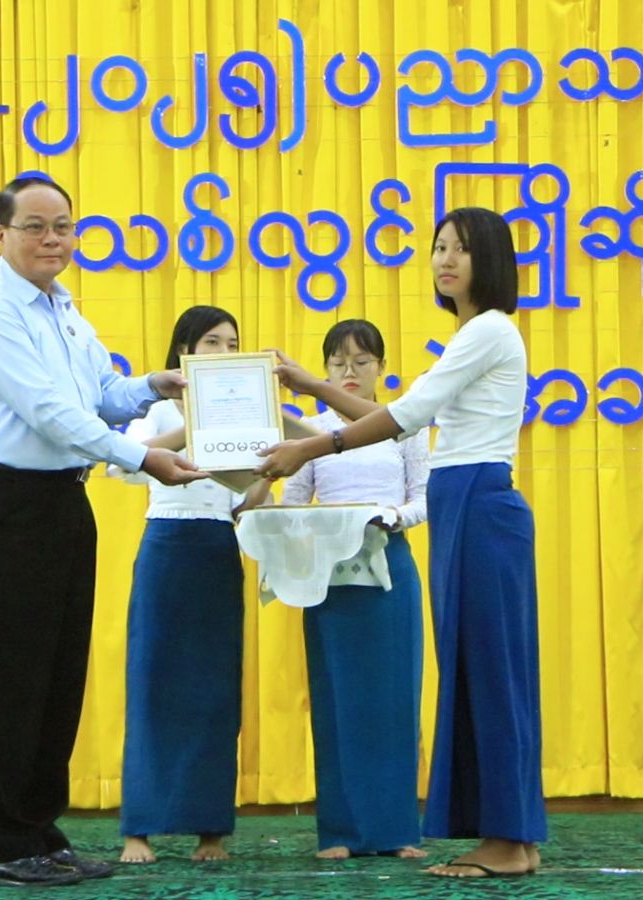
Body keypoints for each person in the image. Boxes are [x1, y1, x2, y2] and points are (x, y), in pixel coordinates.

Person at [256, 207, 546, 879]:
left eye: (461, 249)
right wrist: (313, 395)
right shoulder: (475, 335)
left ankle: (507, 842)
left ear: (490, 260)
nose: (445, 260)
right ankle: (514, 837)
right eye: (439, 247)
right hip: (465, 499)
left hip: (478, 498)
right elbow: (402, 420)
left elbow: (406, 415)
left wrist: (311, 446)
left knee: (489, 673)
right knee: (482, 670)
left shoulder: (487, 330)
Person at [0, 175, 206, 888]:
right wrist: (144, 458)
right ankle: (3, 842)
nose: (51, 239)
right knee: (14, 675)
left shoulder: (62, 308)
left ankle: (39, 828)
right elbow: (51, 415)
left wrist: (155, 386)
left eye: (62, 226)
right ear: (0, 234)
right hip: (10, 502)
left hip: (63, 500)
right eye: (34, 226)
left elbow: (100, 395)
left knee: (57, 674)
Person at [111, 306, 272, 865]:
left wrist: (270, 475)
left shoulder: (248, 412)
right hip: (166, 544)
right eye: (211, 343)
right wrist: (198, 419)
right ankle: (139, 828)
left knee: (214, 690)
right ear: (185, 351)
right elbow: (123, 466)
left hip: (217, 546)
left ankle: (210, 829)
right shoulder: (156, 410)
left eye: (232, 343)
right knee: (153, 682)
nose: (224, 353)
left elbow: (244, 497)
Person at [278, 319, 430, 860]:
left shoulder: (404, 425)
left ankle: (397, 832)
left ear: (382, 369)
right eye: (338, 363)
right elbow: (293, 501)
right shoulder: (311, 432)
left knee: (393, 702)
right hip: (331, 578)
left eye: (362, 362)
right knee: (336, 700)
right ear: (323, 370)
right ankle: (340, 832)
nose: (349, 372)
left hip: (388, 568)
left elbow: (425, 496)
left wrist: (393, 516)